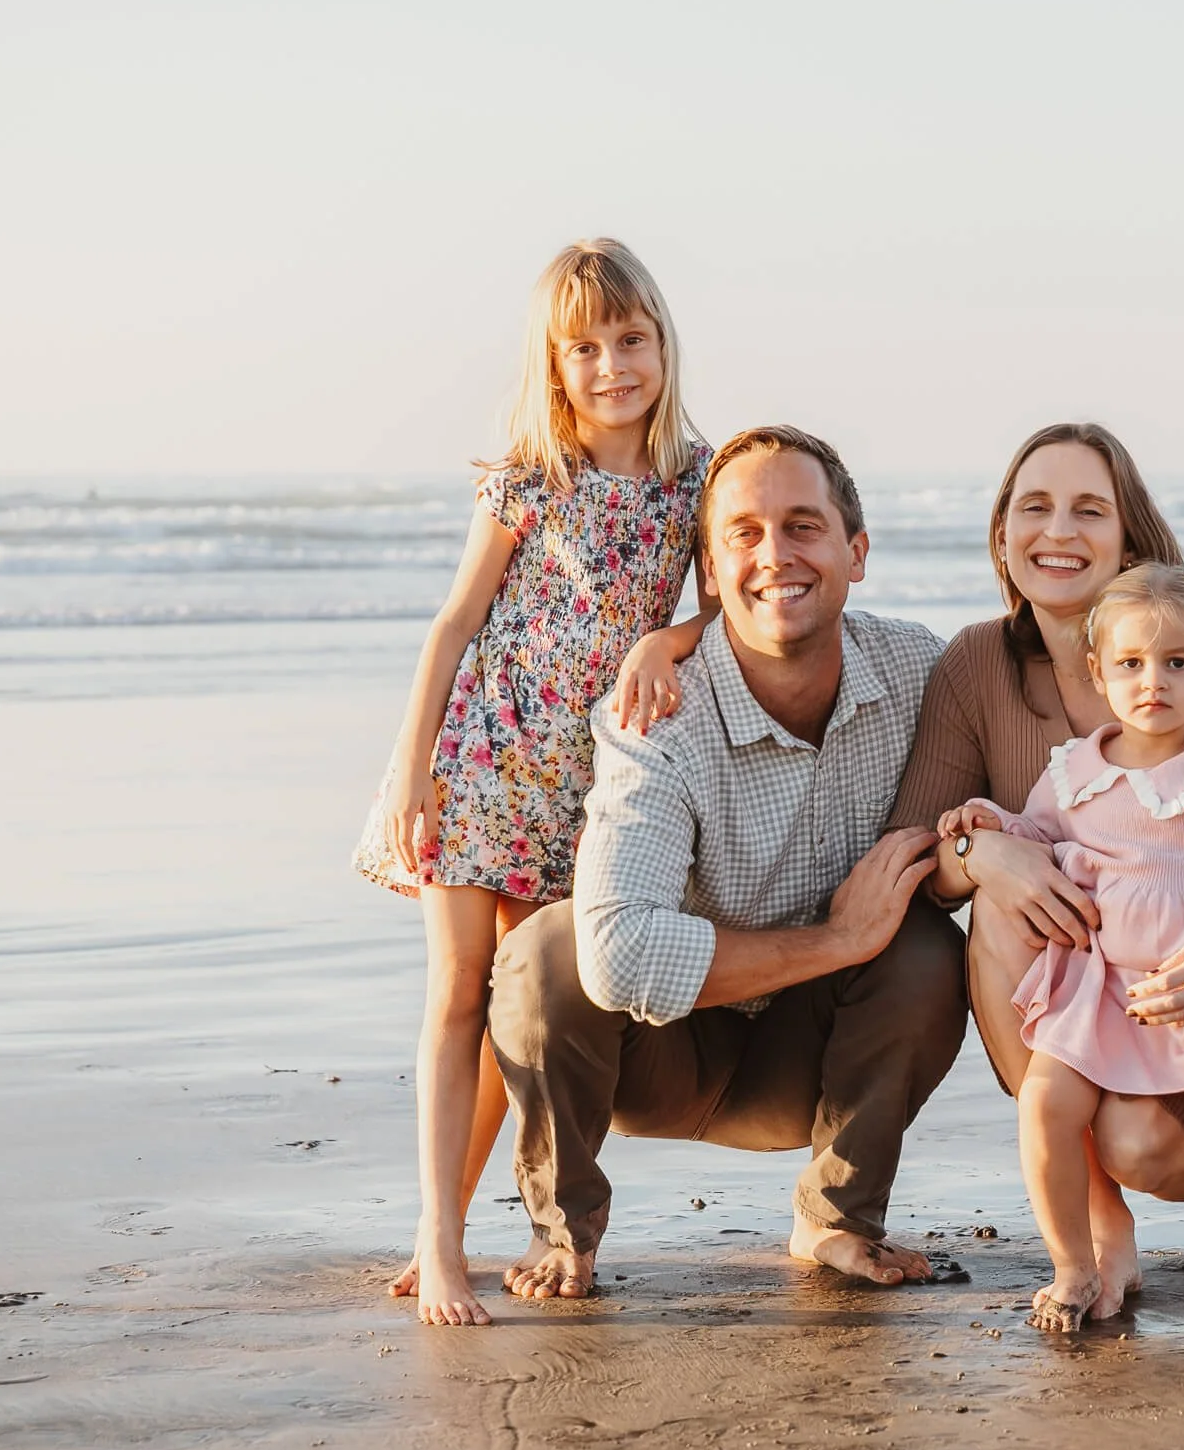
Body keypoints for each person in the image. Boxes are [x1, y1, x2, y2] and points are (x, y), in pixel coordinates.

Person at [889, 422, 1184, 1313]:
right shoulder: (977, 667)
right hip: (1111, 997)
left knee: (1159, 1137)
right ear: (1002, 534)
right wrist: (984, 849)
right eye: (1034, 507)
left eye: (1089, 509)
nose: (1059, 531)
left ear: (1128, 536)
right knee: (1006, 902)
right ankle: (1102, 1240)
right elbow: (915, 852)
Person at [486, 426, 965, 1301]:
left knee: (927, 947)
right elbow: (620, 956)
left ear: (856, 552)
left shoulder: (918, 670)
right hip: (659, 1059)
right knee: (546, 954)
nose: (774, 553)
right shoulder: (658, 712)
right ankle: (565, 1231)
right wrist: (837, 938)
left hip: (815, 1060)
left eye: (803, 526)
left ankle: (837, 1219)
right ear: (710, 573)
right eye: (742, 532)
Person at [351, 239, 713, 1326]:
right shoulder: (530, 475)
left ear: (662, 344)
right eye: (585, 347)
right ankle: (439, 1233)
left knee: (521, 1007)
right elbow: (455, 622)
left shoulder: (695, 477)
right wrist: (410, 771)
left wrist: (671, 639)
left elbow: (735, 601)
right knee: (456, 991)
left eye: (630, 339)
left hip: (590, 782)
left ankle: (476, 1216)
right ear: (554, 365)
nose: (612, 365)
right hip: (485, 759)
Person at [939, 565, 1184, 1334]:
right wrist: (988, 824)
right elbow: (1036, 837)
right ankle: (1077, 1263)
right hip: (1104, 985)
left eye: (1178, 662)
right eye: (1132, 664)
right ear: (1099, 673)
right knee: (1047, 1100)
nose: (1155, 681)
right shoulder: (1074, 771)